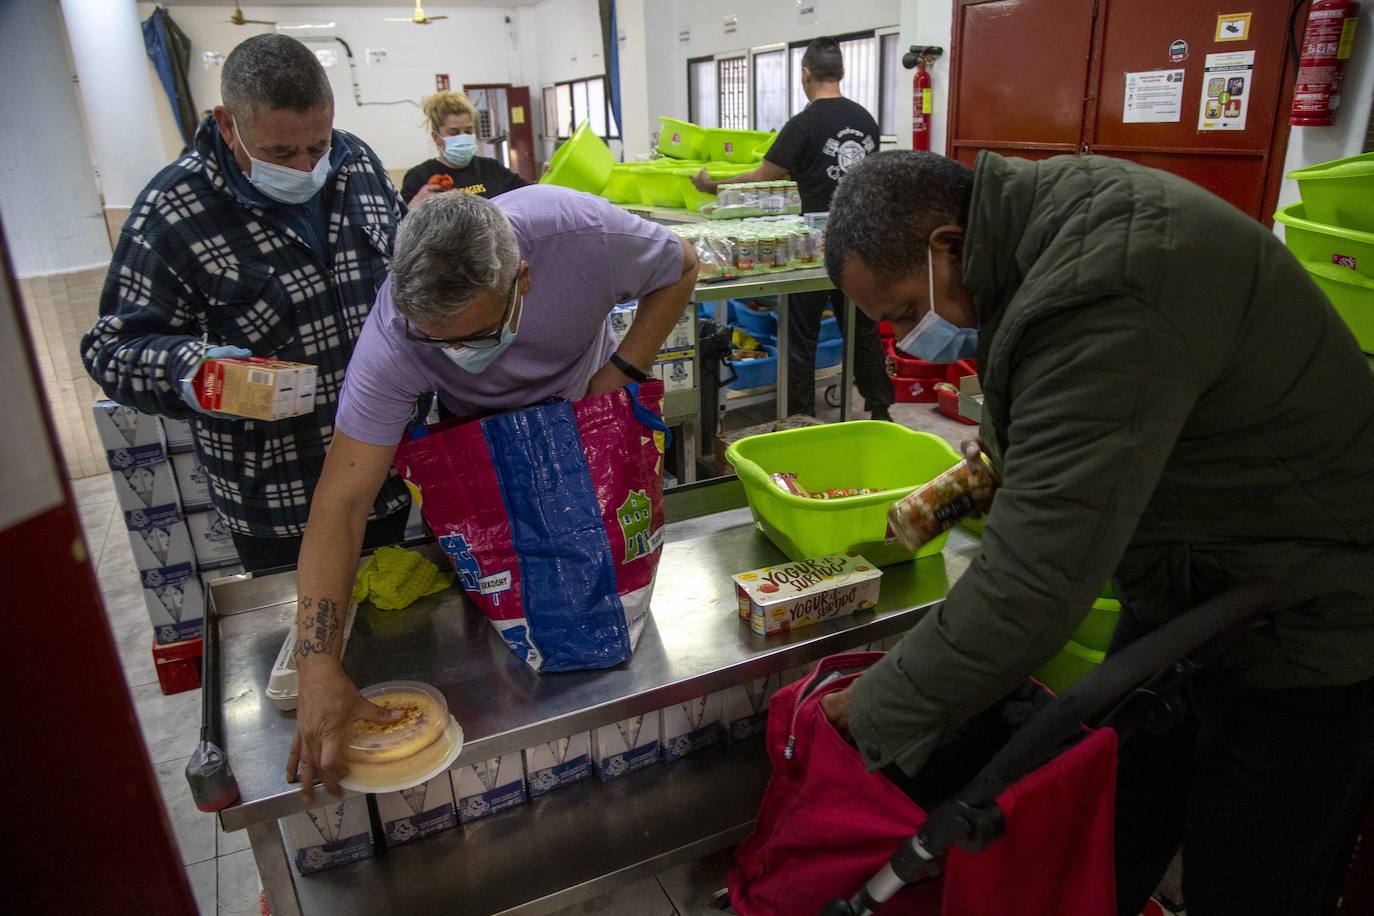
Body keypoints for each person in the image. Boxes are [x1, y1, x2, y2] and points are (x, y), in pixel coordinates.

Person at [818, 150, 1374, 915]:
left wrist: (874, 708)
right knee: (1113, 822)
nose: (911, 340)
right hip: (1195, 580)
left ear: (947, 246)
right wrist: (971, 486)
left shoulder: (1102, 286)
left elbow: (1031, 588)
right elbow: (1077, 423)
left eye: (909, 311)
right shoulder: (1043, 228)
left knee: (1250, 881)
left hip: (1310, 612)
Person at [286, 186, 699, 800]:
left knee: (613, 602)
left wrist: (617, 379)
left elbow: (683, 265)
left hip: (586, 419)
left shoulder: (580, 234)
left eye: (476, 335)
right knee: (502, 626)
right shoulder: (394, 338)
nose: (459, 353)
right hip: (474, 441)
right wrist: (317, 663)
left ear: (523, 281)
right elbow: (341, 502)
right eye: (439, 343)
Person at [81, 34, 410, 573]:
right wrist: (202, 373)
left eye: (317, 145)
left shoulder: (358, 165)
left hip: (387, 473)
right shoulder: (174, 210)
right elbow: (112, 349)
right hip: (280, 498)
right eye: (282, 152)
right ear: (229, 123)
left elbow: (406, 273)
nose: (306, 166)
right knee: (306, 639)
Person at [692, 37, 894, 422]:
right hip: (860, 242)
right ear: (843, 73)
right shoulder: (866, 120)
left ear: (805, 74)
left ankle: (801, 415)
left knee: (801, 335)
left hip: (813, 248)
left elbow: (761, 177)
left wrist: (710, 185)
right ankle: (880, 406)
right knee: (862, 328)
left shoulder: (804, 123)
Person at [400, 91, 529, 209]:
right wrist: (416, 203)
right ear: (436, 137)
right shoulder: (420, 176)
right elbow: (401, 224)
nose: (463, 137)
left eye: (468, 131)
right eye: (454, 132)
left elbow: (528, 194)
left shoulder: (492, 168)